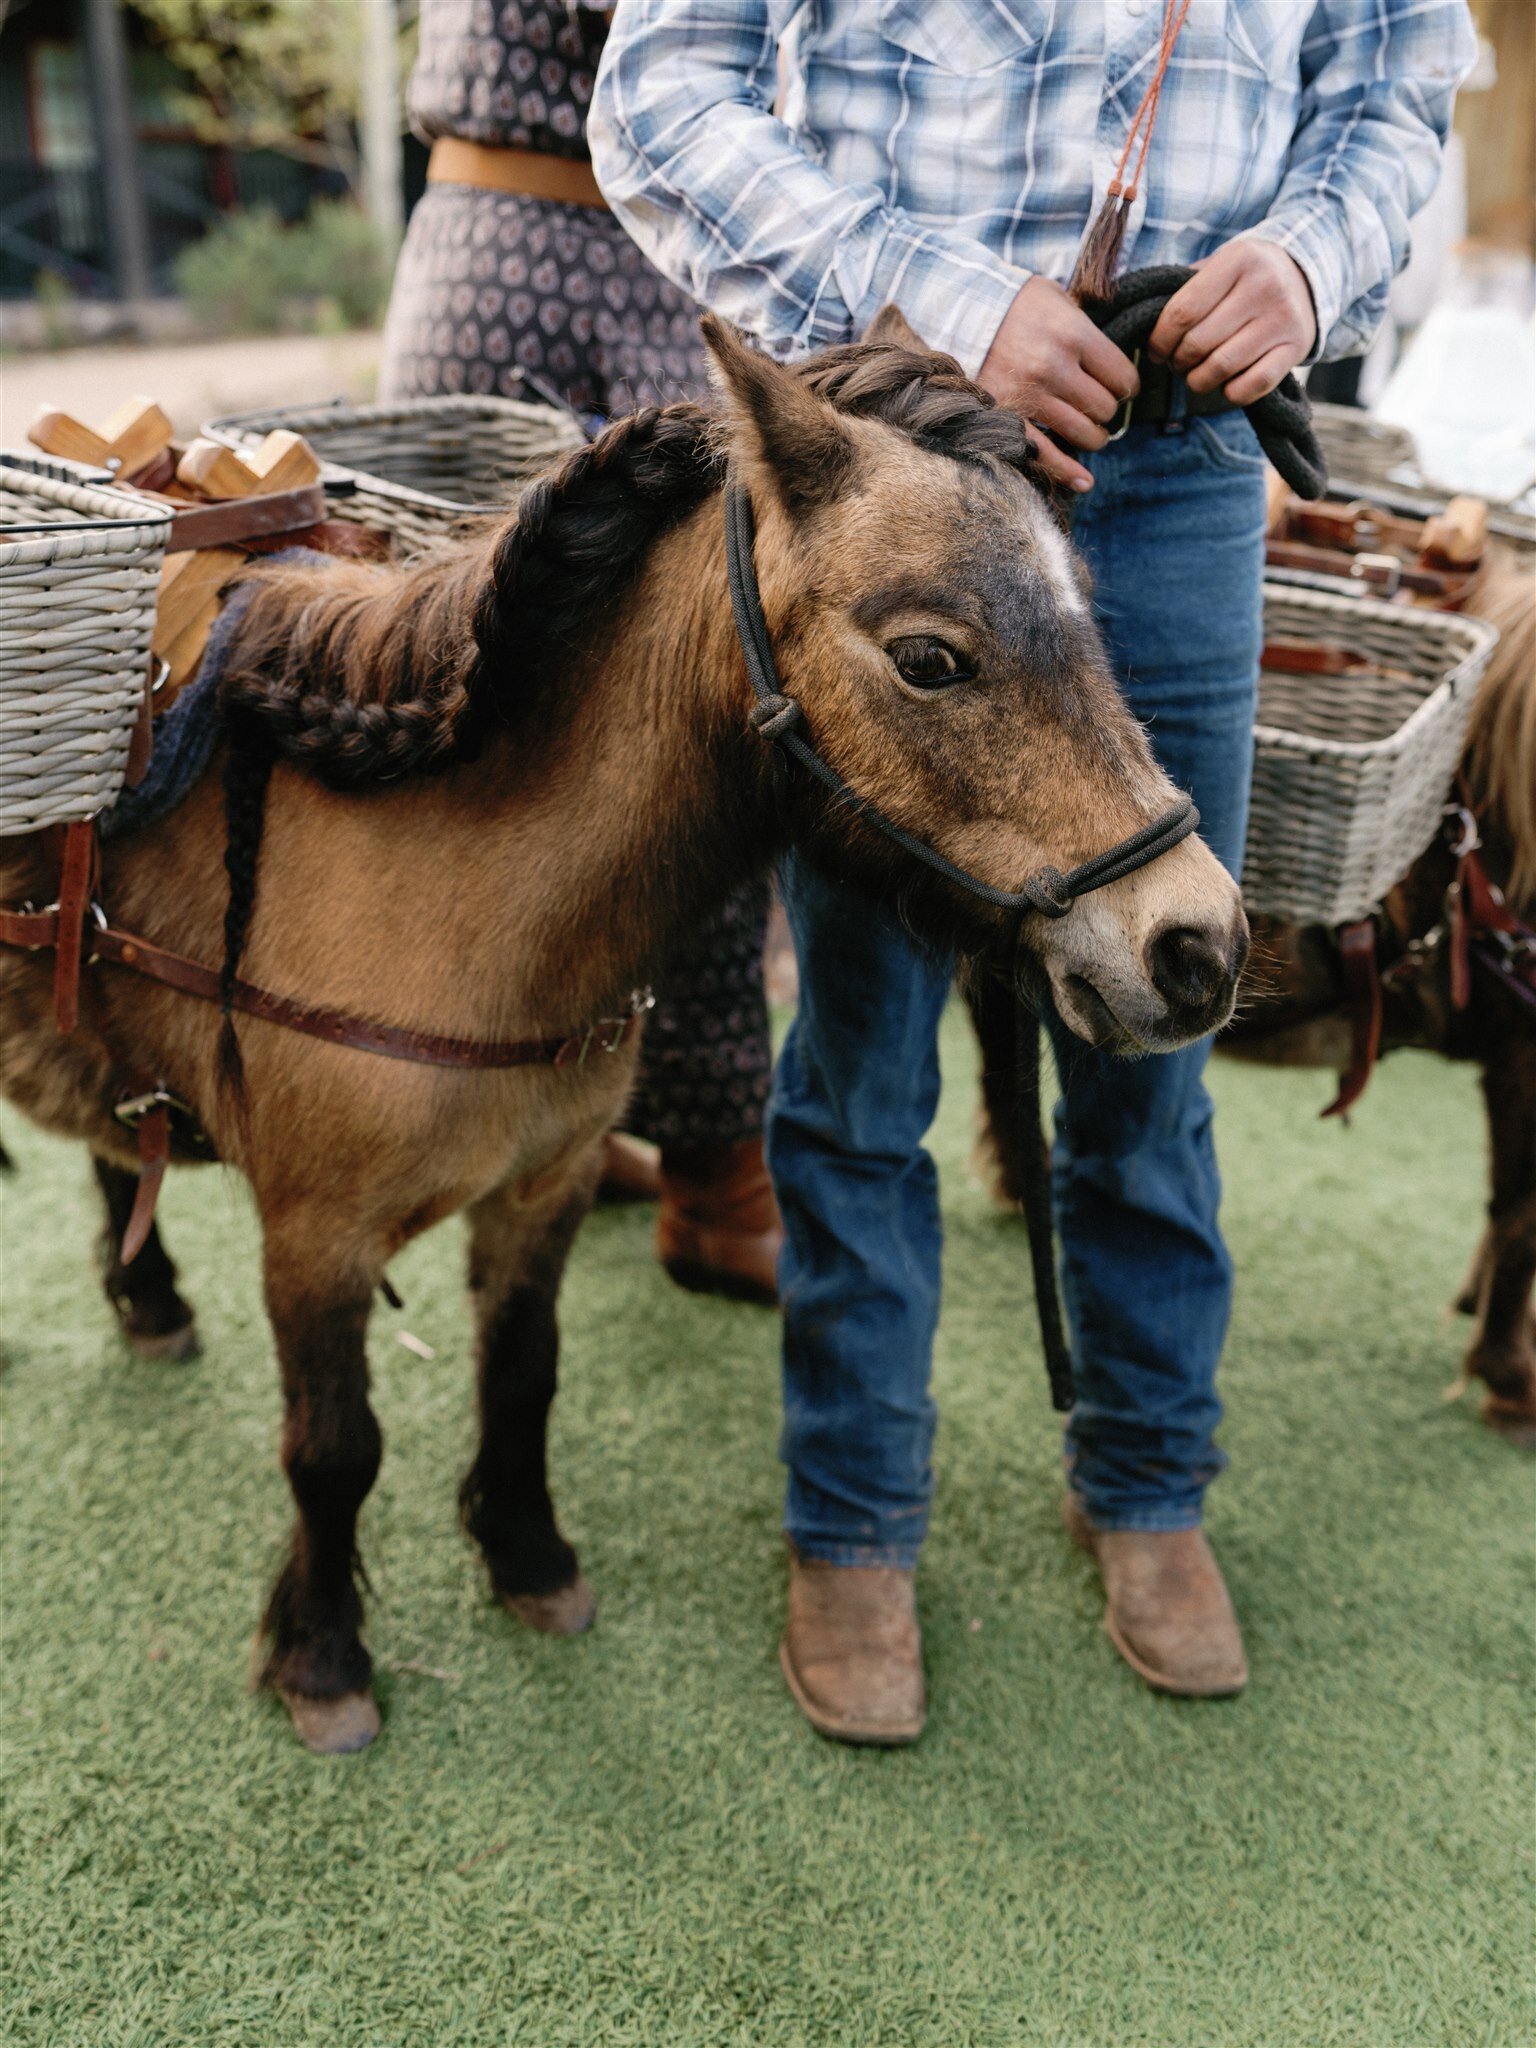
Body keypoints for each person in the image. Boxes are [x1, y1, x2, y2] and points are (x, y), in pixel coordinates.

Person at [590, 0, 1477, 1740]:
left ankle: (1147, 1487)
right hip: (893, 468)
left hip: (1179, 469)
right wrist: (939, 289)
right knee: (858, 1066)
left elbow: (1391, 86)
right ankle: (852, 1523)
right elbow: (658, 85)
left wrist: (1307, 262)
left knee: (1161, 1020)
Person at [379, 0, 783, 1305]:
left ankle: (597, 1117)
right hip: (593, 269)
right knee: (676, 716)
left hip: (501, 252)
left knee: (561, 713)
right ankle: (713, 1174)